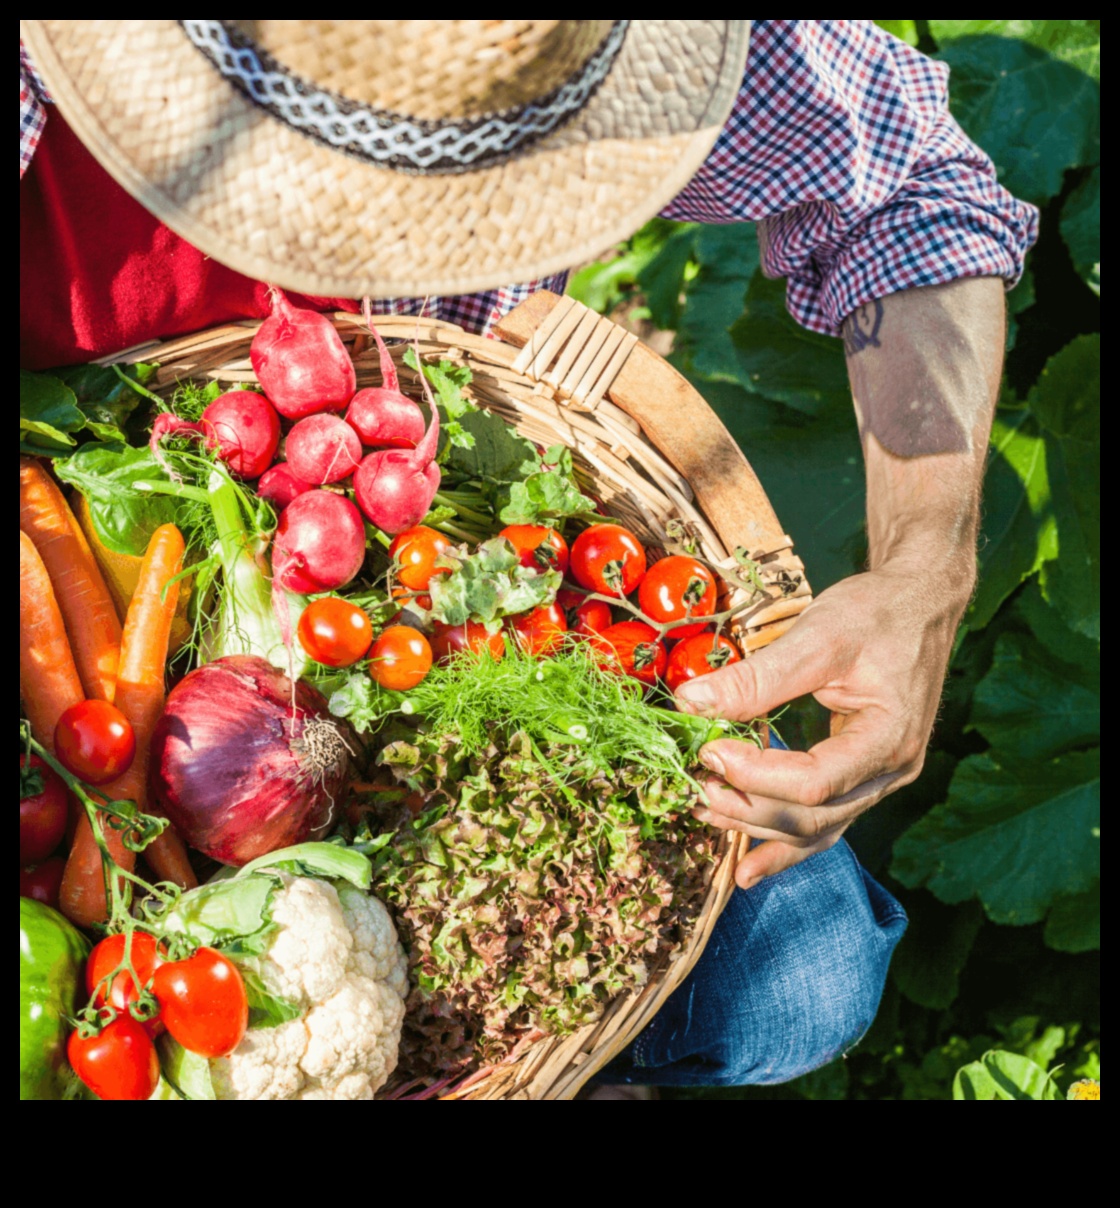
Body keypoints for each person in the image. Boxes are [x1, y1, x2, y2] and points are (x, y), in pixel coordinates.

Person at [19, 20, 1037, 1090]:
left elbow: (911, 176)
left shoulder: (580, 34)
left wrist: (927, 574)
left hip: (438, 592)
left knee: (806, 972)